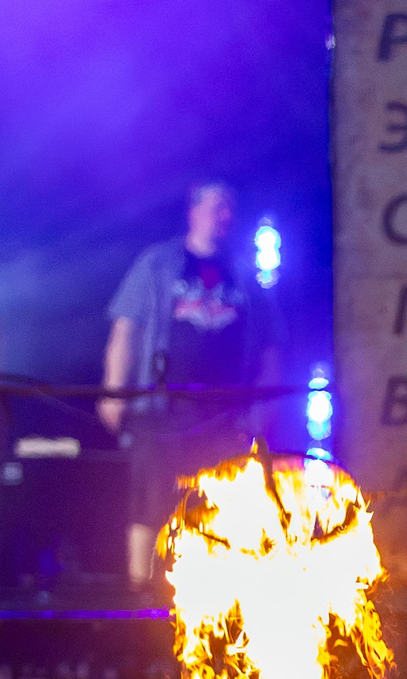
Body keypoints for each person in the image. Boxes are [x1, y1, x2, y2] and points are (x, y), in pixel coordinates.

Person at [100, 180, 278, 578]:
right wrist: (114, 391)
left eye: (230, 208)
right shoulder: (158, 264)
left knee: (221, 507)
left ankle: (214, 605)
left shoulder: (245, 274)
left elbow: (269, 346)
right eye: (218, 207)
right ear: (194, 211)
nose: (225, 216)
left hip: (223, 414)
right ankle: (139, 593)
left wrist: (261, 406)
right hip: (160, 408)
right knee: (150, 500)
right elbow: (126, 329)